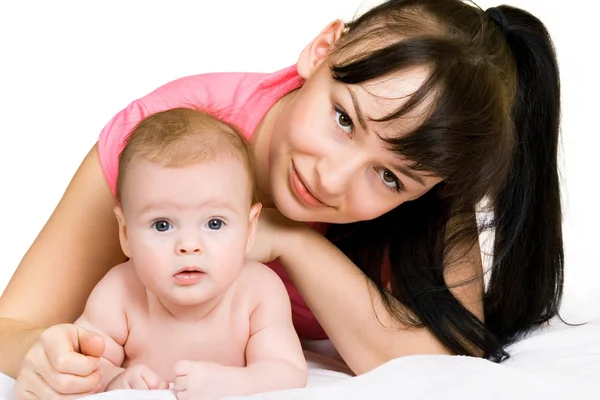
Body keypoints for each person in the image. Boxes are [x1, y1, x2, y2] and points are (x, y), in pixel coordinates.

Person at [2, 1, 563, 398]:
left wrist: (289, 241)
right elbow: (13, 322)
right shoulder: (165, 144)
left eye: (389, 178)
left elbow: (454, 368)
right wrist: (41, 352)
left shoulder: (432, 183)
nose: (333, 179)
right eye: (343, 119)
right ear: (322, 50)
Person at [67, 108, 304, 398]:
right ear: (126, 233)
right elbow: (82, 364)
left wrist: (231, 383)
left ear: (250, 229)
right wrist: (115, 379)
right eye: (162, 225)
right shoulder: (119, 292)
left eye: (214, 223)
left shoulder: (258, 292)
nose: (189, 246)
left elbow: (286, 370)